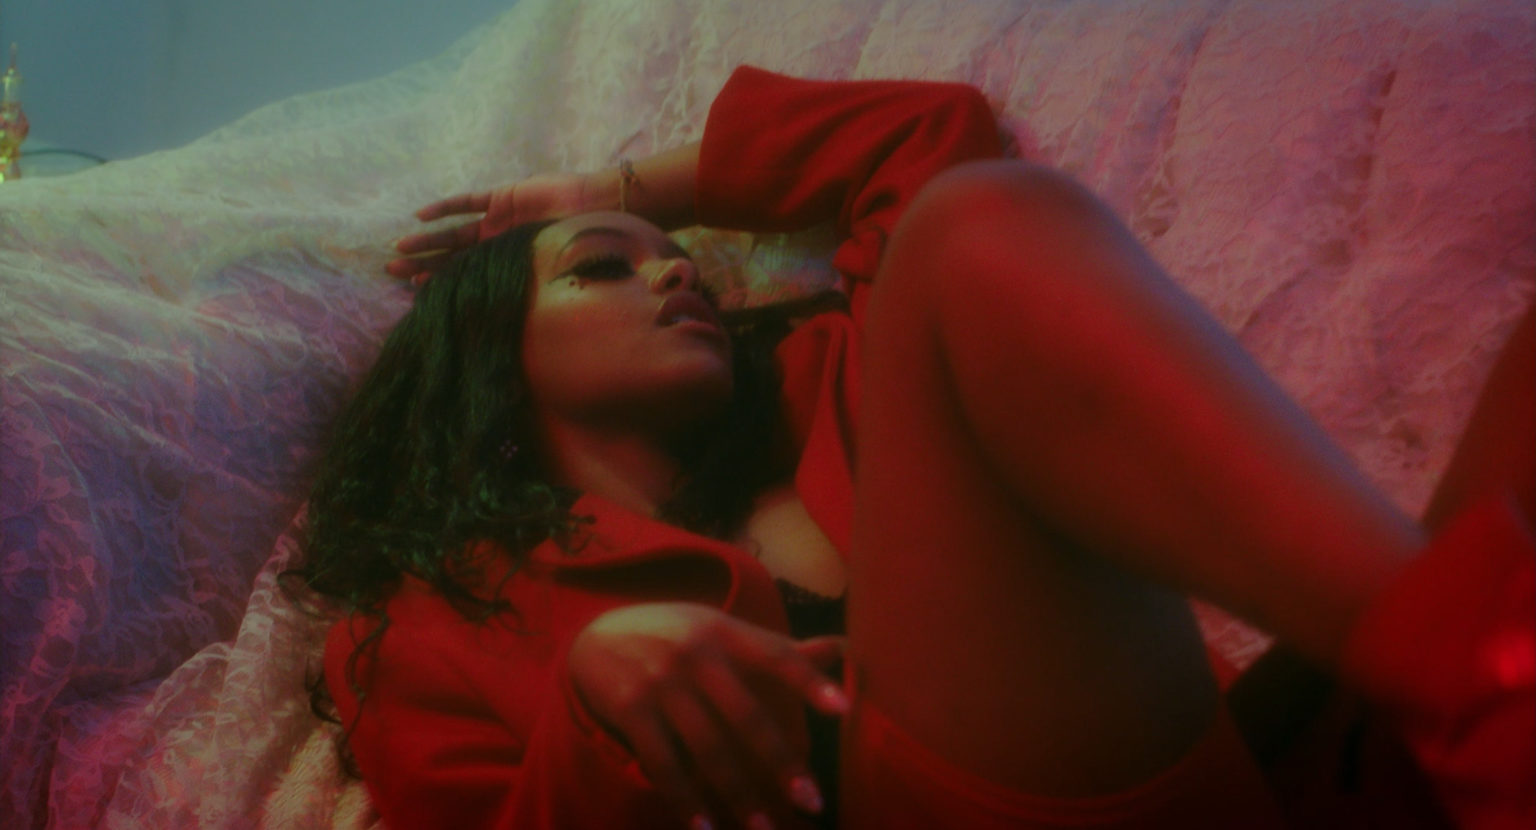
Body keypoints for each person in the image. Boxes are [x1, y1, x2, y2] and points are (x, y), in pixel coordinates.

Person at [298, 65, 1534, 829]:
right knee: (968, 229)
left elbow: (927, 138)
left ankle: (1479, 682)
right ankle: (1487, 680)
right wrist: (592, 700)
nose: (675, 272)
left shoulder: (835, 378)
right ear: (485, 357)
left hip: (1247, 773)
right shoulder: (422, 620)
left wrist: (610, 193)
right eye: (601, 268)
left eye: (681, 262)